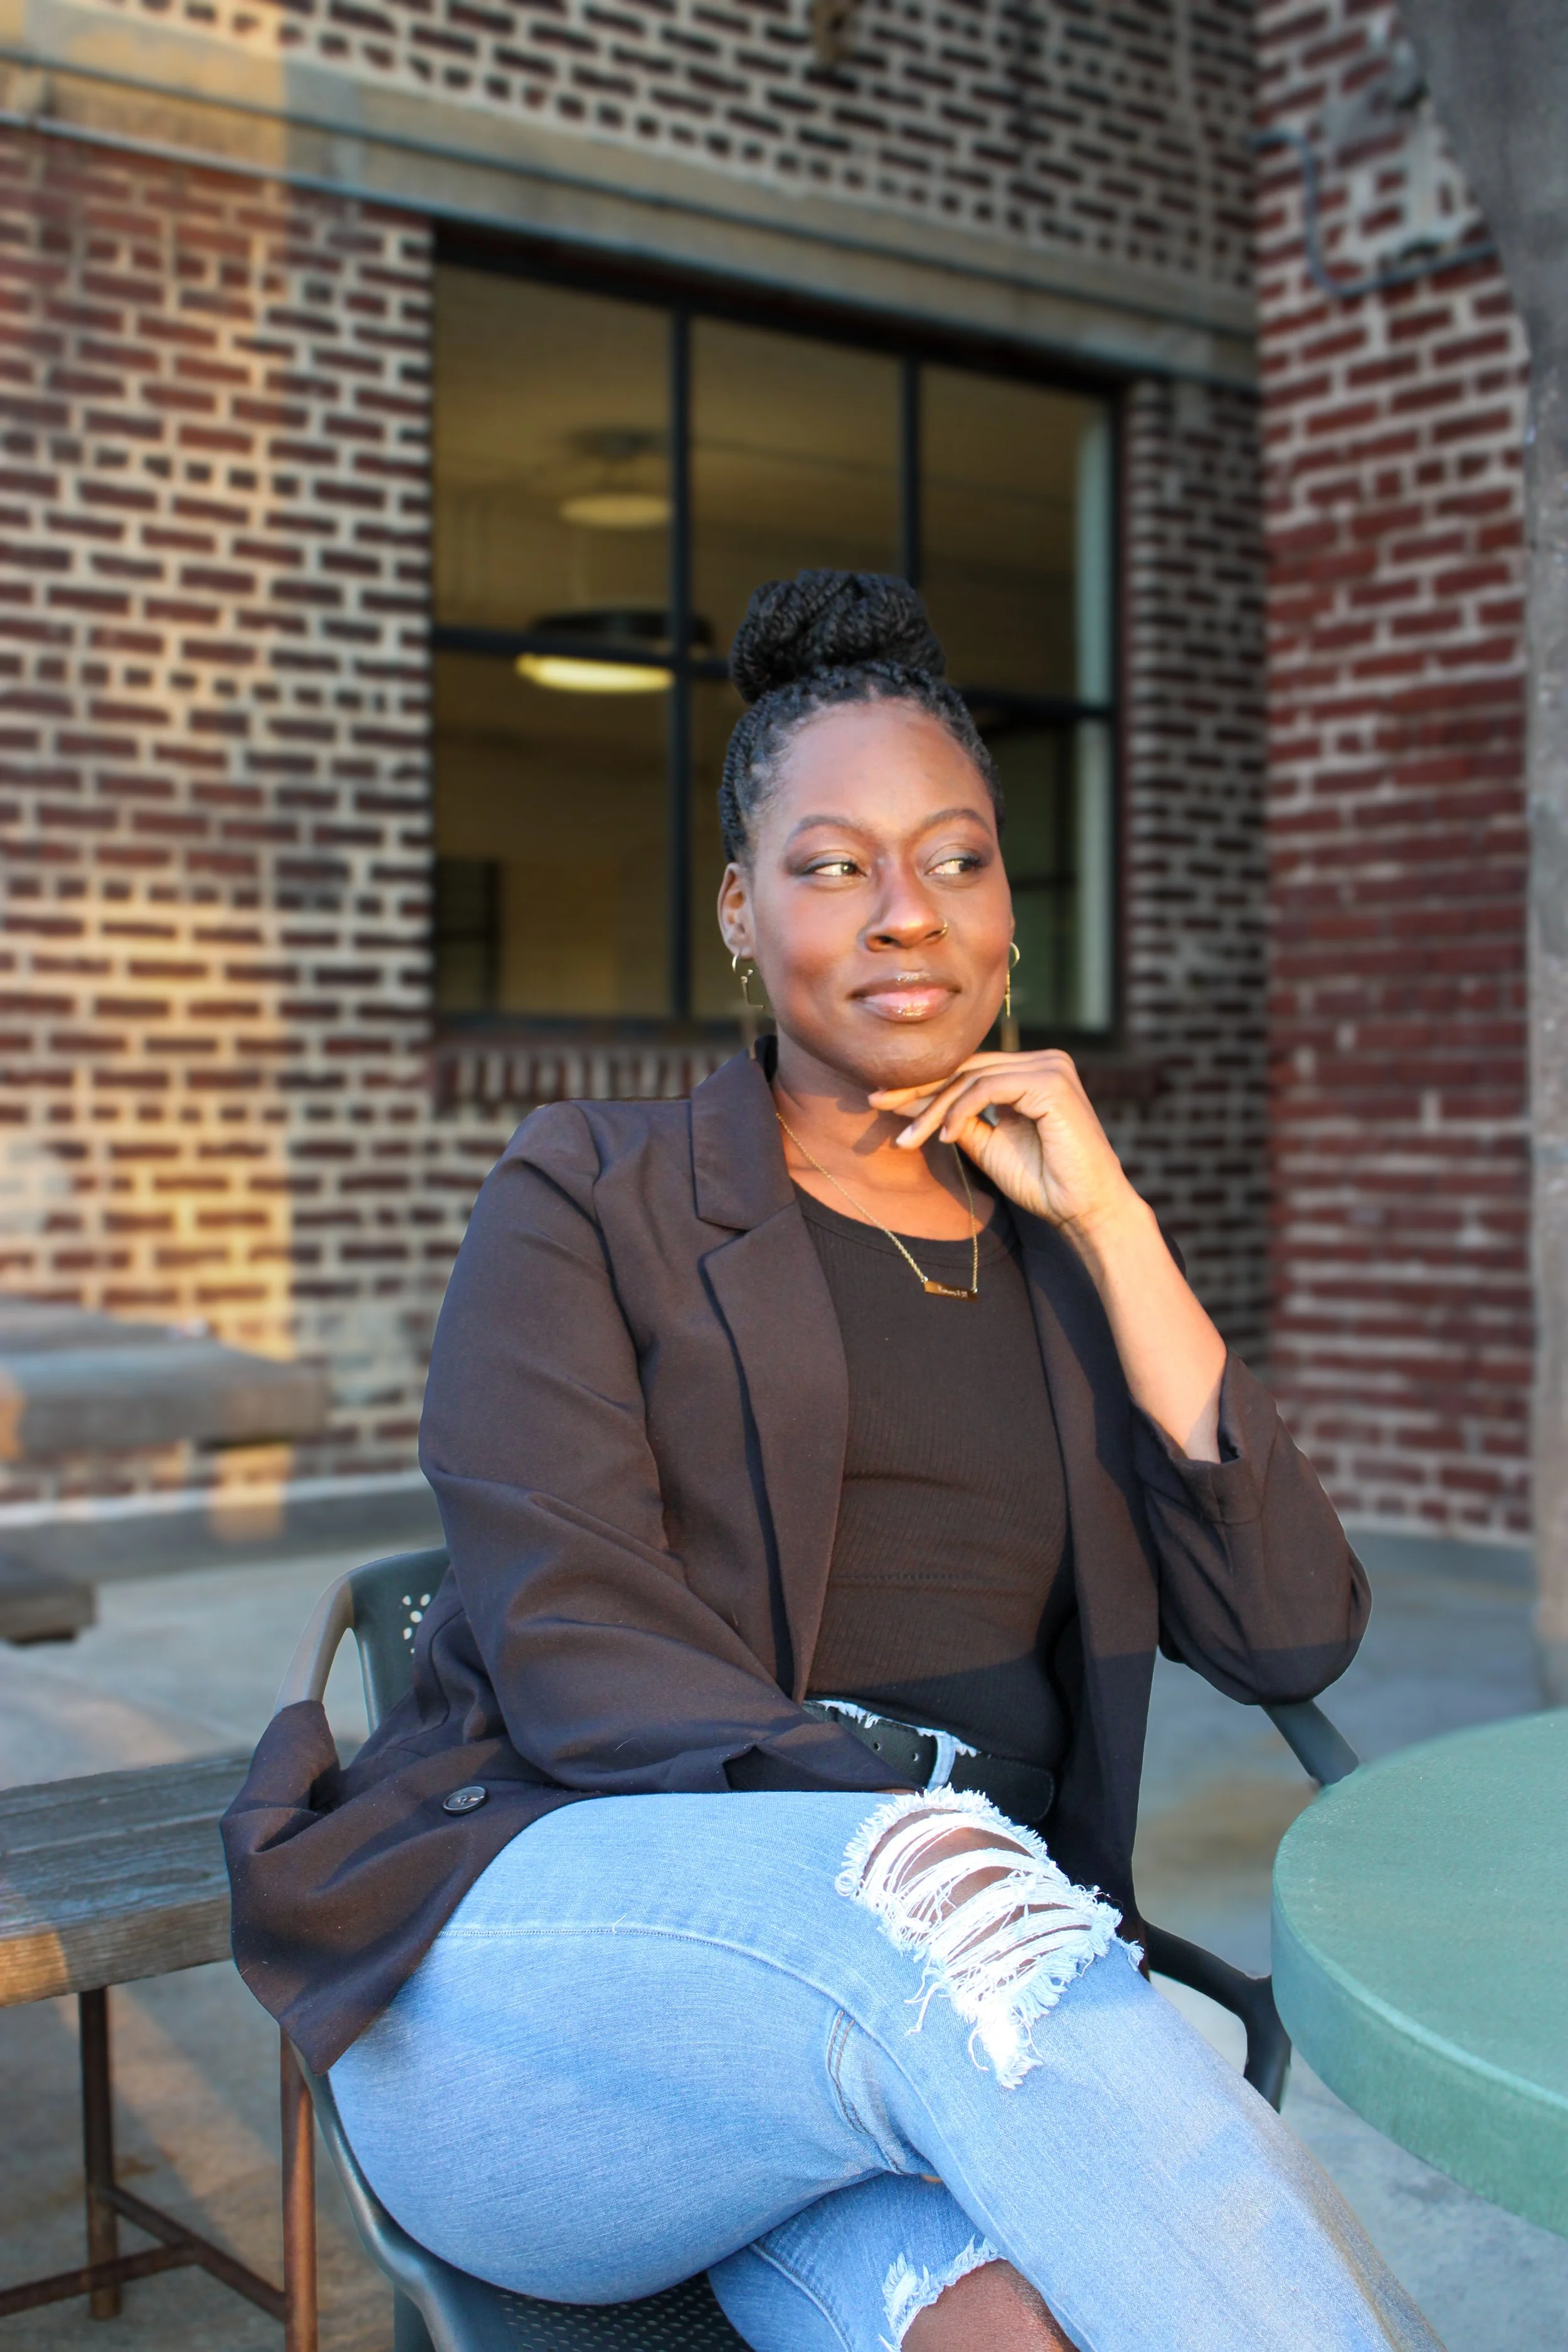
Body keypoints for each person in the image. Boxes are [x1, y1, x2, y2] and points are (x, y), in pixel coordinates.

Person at [225, 571, 1443, 2352]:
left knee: (1013, 2323)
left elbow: (1287, 1628)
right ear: (737, 906)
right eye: (830, 864)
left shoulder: (1055, 1252)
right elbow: (572, 1633)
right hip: (566, 1973)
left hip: (929, 2024)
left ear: (1011, 914)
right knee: (943, 1910)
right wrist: (919, 1837)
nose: (904, 916)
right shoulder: (589, 1190)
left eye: (954, 859)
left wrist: (1111, 1221)